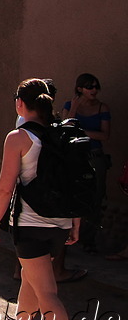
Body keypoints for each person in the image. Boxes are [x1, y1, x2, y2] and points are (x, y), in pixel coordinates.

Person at [0, 79, 78, 320]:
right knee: (32, 278)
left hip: (30, 225)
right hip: (59, 224)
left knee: (48, 294)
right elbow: (74, 183)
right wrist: (75, 222)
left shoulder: (18, 137)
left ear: (20, 104)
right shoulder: (62, 135)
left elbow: (5, 187)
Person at [61, 73, 111, 253]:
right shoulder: (70, 105)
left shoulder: (102, 108)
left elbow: (104, 135)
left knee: (96, 196)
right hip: (74, 156)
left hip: (94, 156)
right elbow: (65, 129)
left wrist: (81, 131)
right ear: (80, 88)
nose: (94, 90)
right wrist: (74, 109)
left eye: (96, 86)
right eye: (90, 87)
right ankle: (69, 236)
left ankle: (89, 240)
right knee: (72, 194)